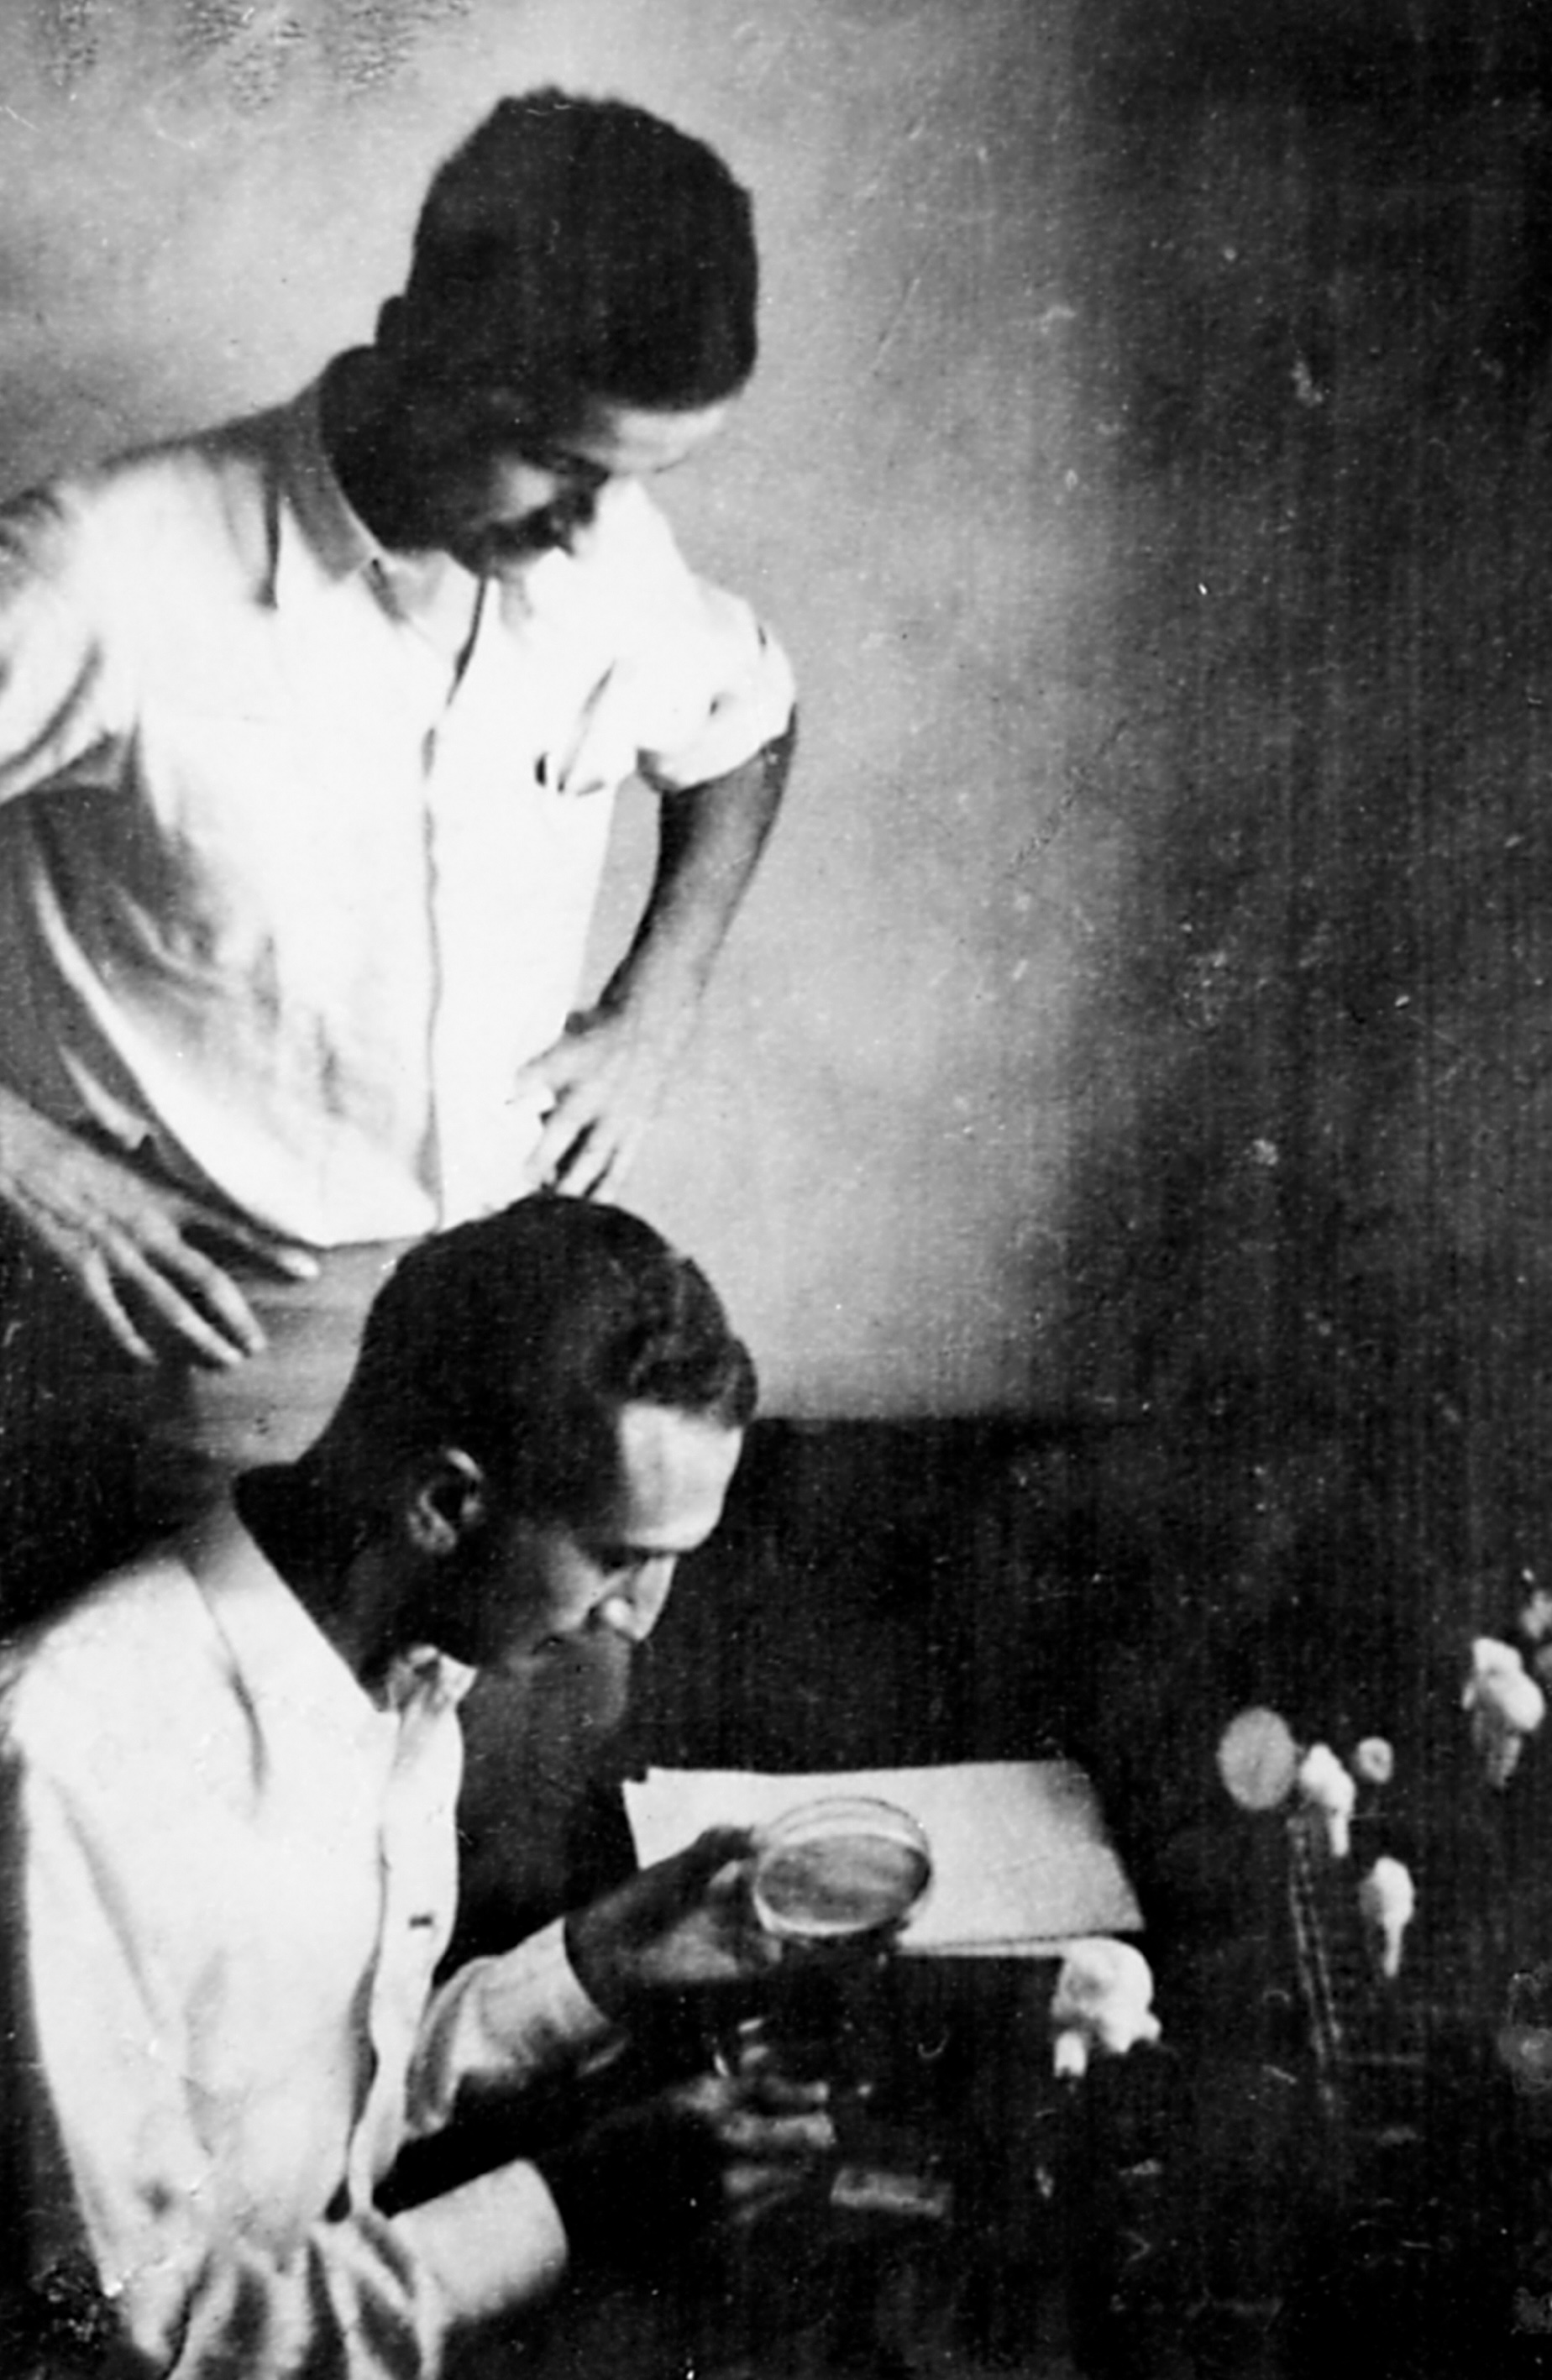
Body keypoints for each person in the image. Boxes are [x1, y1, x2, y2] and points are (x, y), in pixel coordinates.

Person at [0, 86, 796, 1607]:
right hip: (200, 1336)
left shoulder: (608, 553)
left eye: (630, 477)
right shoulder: (103, 573)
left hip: (503, 1322)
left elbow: (751, 724)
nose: (590, 528)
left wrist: (657, 1004)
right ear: (414, 339)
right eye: (554, 463)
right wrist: (22, 1159)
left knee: (466, 1784)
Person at [0, 1193, 832, 2378]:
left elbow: (302, 2117)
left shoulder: (409, 1668)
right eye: (621, 1556)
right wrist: (573, 2206)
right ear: (445, 1503)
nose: (639, 1620)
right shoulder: (67, 1766)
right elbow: (125, 2342)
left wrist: (590, 1965)